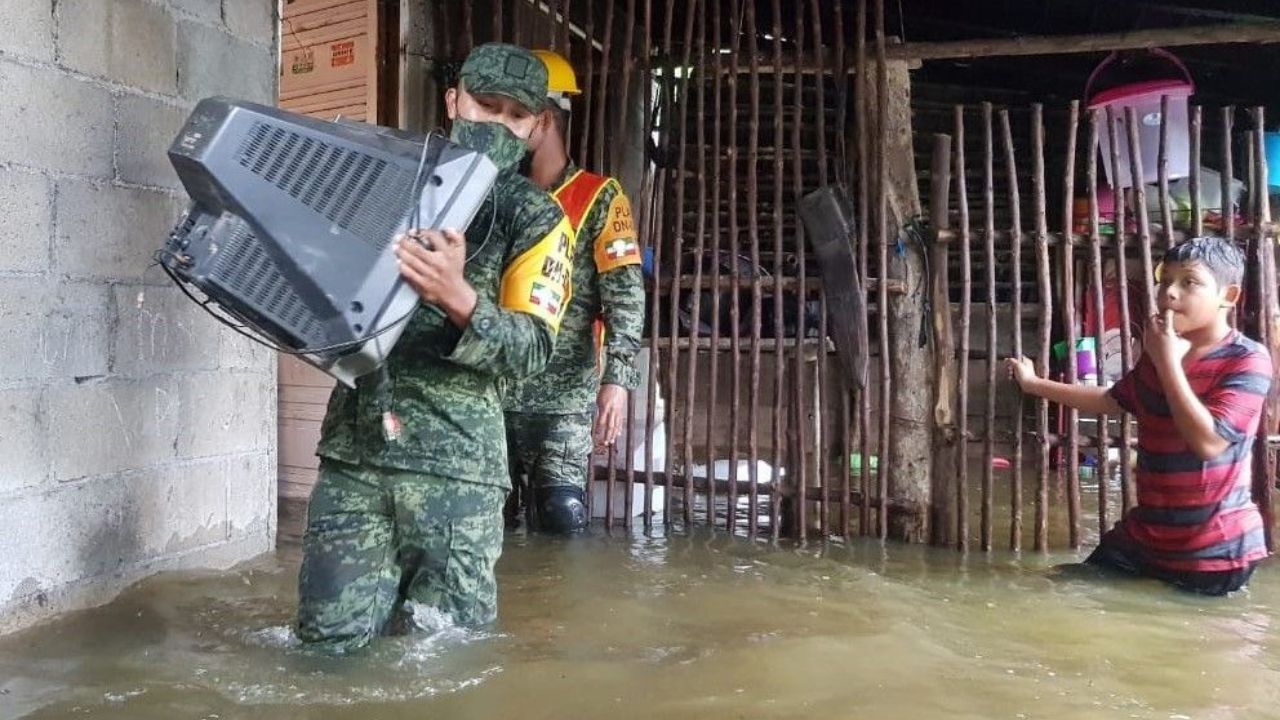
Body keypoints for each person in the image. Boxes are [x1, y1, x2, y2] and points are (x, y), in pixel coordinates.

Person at [296, 43, 576, 652]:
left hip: (458, 474)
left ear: (536, 127)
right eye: (485, 106)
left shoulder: (534, 218)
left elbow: (532, 351)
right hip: (355, 457)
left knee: (443, 660)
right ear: (454, 102)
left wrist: (457, 296)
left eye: (514, 116)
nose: (496, 125)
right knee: (324, 647)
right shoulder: (387, 180)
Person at [1007, 236, 1272, 596]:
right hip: (1146, 537)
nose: (1169, 293)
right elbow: (1113, 399)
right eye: (1166, 280)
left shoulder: (1248, 360)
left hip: (1215, 551)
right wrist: (1035, 384)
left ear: (1229, 296)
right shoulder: (1160, 355)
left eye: (1189, 282)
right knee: (1060, 591)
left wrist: (1167, 363)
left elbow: (1209, 442)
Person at [501, 49, 646, 533]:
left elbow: (625, 295)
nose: (504, 126)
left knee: (561, 517)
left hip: (565, 396)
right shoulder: (495, 194)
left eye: (515, 114)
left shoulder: (600, 196)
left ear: (543, 120)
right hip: (494, 390)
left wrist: (618, 381)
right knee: (487, 521)